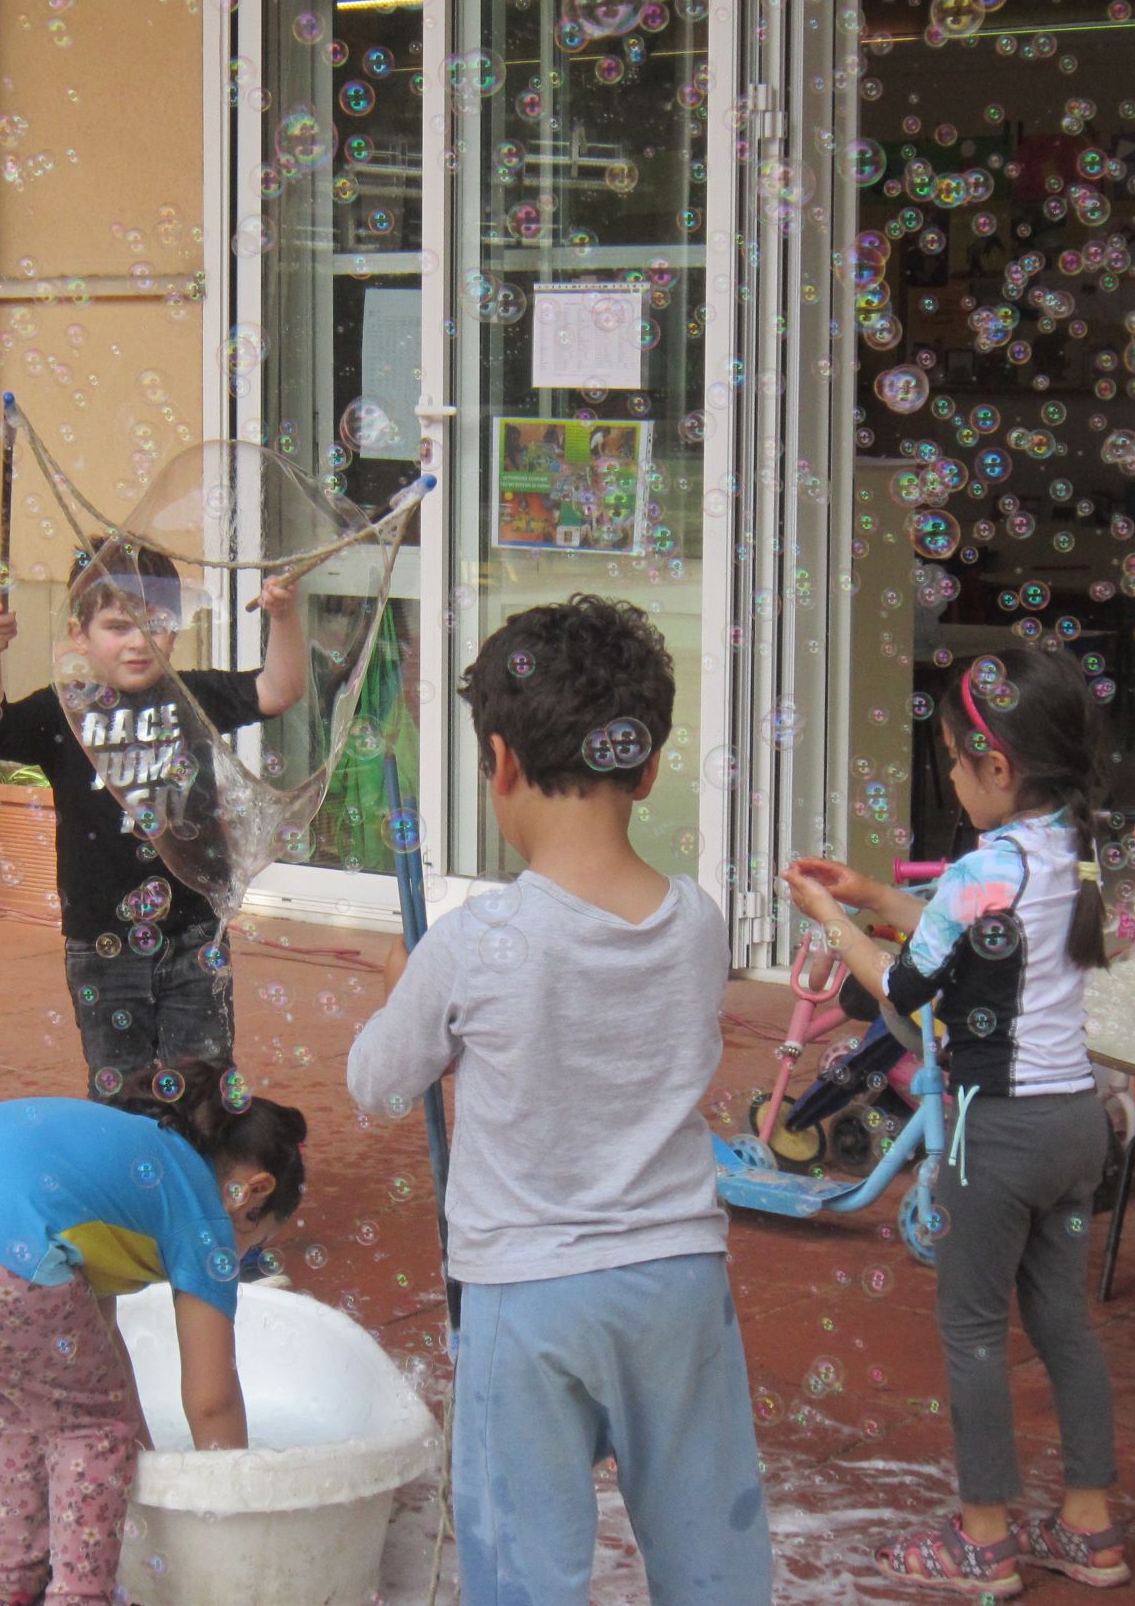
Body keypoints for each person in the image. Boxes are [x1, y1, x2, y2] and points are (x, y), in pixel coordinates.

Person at [347, 595, 774, 1606]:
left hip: (526, 1294)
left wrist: (406, 987)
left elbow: (375, 1081)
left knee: (523, 1571)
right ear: (646, 767)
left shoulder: (471, 942)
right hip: (676, 1279)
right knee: (710, 1557)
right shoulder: (699, 924)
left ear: (499, 762)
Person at [783, 644, 1128, 1597]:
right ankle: (1090, 1528)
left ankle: (982, 1538)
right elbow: (970, 928)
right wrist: (875, 894)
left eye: (951, 758)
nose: (949, 774)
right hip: (1074, 1127)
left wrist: (830, 920)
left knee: (972, 1331)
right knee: (1062, 1322)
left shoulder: (983, 867)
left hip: (997, 1135)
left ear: (998, 768)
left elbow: (902, 983)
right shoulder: (1075, 850)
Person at [0, 1061, 307, 1606]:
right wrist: (230, 1509)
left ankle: (5, 1588)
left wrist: (149, 1468)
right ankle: (80, 1595)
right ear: (252, 1192)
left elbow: (95, 1348)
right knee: (92, 1427)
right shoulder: (204, 1214)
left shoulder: (125, 1168)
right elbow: (212, 1401)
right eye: (256, 1242)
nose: (242, 1255)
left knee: (29, 1407)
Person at [0, 542, 305, 1094]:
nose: (140, 641)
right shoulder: (64, 709)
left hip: (194, 930)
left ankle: (191, 1153)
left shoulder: (191, 696)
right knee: (122, 1089)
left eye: (156, 624)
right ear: (79, 634)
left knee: (204, 1089)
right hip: (100, 939)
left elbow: (278, 690)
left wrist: (283, 617)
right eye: (118, 626)